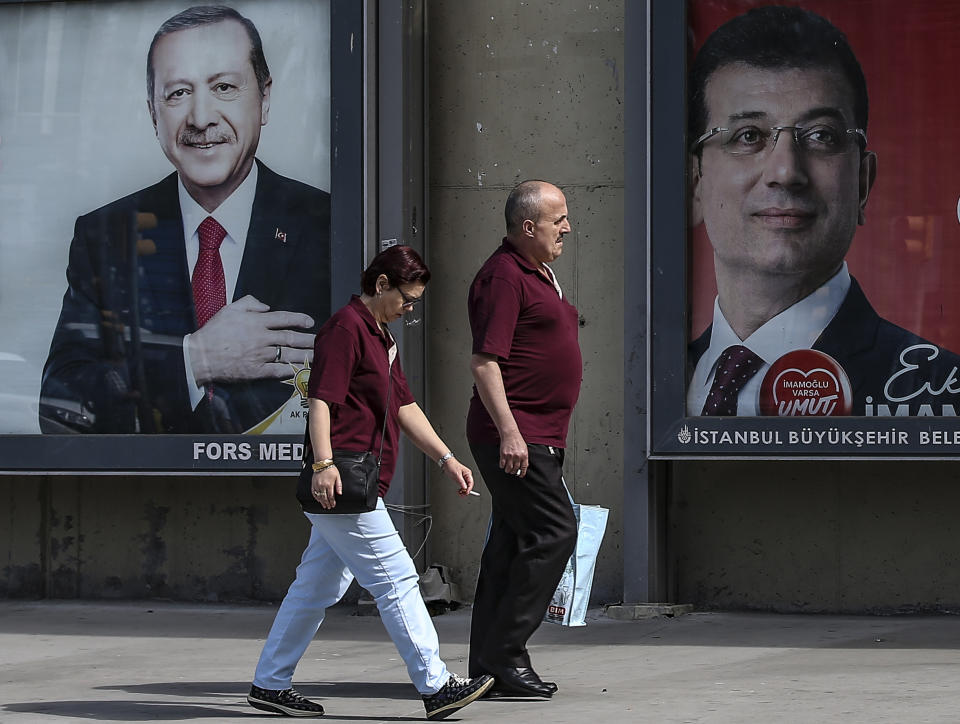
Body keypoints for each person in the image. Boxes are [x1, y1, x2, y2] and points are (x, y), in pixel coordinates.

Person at [40, 5, 329, 434]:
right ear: (154, 113)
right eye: (177, 93)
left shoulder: (330, 225)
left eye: (224, 87)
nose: (200, 118)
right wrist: (197, 359)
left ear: (264, 99)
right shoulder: (106, 236)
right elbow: (60, 407)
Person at [248, 245, 493, 719]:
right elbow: (320, 400)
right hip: (342, 483)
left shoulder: (380, 336)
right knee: (398, 580)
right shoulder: (345, 329)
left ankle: (269, 684)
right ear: (382, 285)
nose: (410, 309)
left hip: (354, 481)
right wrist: (323, 466)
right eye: (407, 299)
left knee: (314, 588)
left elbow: (404, 406)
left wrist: (446, 458)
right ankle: (436, 684)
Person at [687, 5, 960, 417]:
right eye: (748, 136)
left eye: (820, 135)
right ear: (695, 183)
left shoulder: (940, 392)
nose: (785, 172)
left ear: (863, 184)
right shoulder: (661, 381)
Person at [466, 180, 581, 697]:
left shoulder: (538, 273)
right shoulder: (503, 278)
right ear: (528, 227)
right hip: (517, 436)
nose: (568, 228)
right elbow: (485, 361)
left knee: (510, 545)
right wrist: (512, 434)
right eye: (559, 219)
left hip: (538, 433)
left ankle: (486, 665)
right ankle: (507, 654)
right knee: (555, 532)